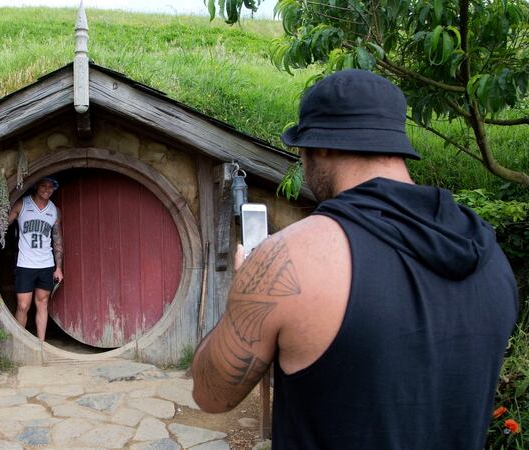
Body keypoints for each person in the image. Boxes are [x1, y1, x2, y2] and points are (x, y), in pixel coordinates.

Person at [191, 69, 518, 449]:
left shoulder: (287, 258)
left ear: (321, 146)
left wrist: (243, 293)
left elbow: (210, 393)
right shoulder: (490, 256)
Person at [8, 176, 64, 345]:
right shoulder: (22, 204)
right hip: (25, 265)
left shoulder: (54, 211)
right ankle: (20, 345)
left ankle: (41, 345)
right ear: (36, 186)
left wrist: (58, 268)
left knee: (42, 303)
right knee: (23, 306)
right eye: (43, 185)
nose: (47, 189)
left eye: (51, 187)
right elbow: (2, 225)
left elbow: (57, 240)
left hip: (46, 264)